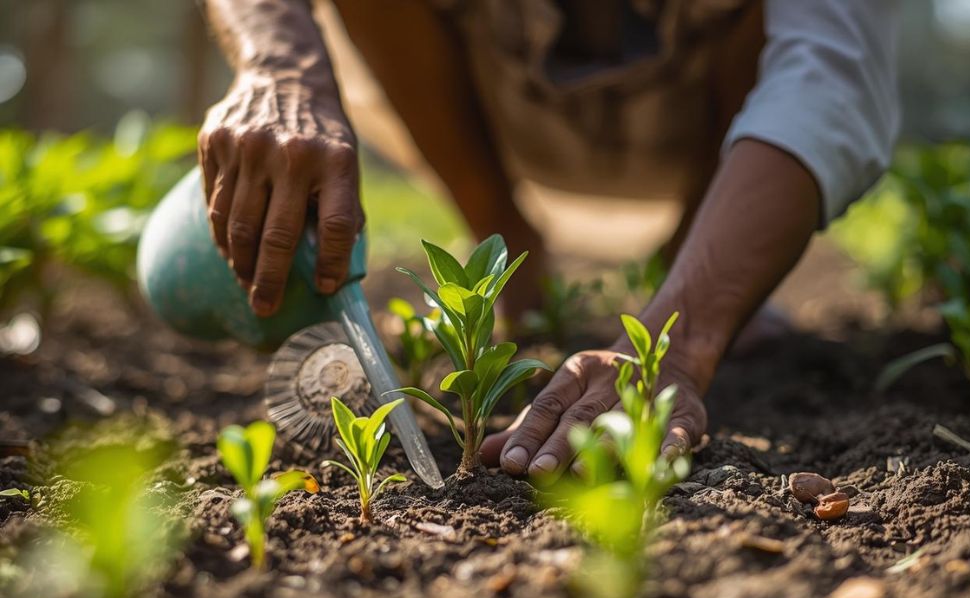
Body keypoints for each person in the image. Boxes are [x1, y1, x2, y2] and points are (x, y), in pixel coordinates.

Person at [197, 0, 898, 478]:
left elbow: (827, 79)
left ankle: (689, 259)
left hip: (711, 121)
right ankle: (509, 255)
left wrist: (678, 347)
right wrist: (279, 67)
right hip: (497, 97)